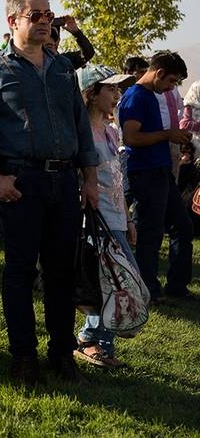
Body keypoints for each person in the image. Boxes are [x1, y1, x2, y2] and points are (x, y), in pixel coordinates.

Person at [0, 0, 99, 385]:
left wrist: (89, 179)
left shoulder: (62, 69)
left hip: (64, 183)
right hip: (19, 183)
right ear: (13, 22)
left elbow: (81, 128)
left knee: (61, 272)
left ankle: (62, 353)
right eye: (36, 15)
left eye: (48, 15)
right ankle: (23, 356)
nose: (46, 22)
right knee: (20, 273)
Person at [73, 64, 138, 369]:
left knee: (119, 280)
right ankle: (94, 342)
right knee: (110, 282)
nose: (116, 95)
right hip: (96, 221)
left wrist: (128, 218)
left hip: (116, 220)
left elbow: (116, 178)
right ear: (91, 93)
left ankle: (93, 338)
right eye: (110, 89)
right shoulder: (80, 133)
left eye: (117, 89)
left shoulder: (111, 131)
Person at [118, 51, 193, 302]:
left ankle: (177, 285)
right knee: (150, 233)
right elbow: (131, 137)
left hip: (161, 171)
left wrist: (174, 137)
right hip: (145, 172)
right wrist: (166, 135)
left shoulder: (151, 94)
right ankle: (146, 288)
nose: (172, 87)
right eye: (171, 81)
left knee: (183, 225)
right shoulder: (135, 96)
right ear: (159, 73)